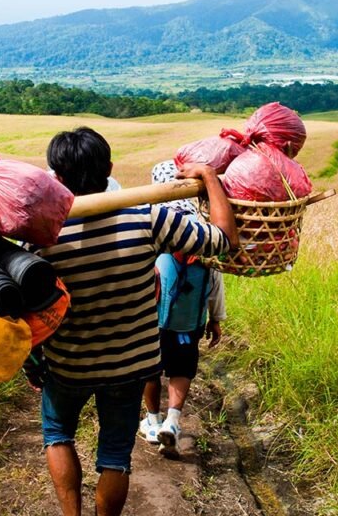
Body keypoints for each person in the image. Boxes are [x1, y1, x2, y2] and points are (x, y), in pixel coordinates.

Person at [24, 127, 238, 516]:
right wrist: (209, 176)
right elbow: (224, 239)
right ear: (109, 169)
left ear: (56, 176)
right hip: (131, 365)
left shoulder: (41, 234)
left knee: (58, 436)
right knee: (115, 454)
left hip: (68, 364)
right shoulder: (149, 218)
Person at [139, 160, 227, 459]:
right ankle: (173, 421)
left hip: (152, 321)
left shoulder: (153, 224)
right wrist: (216, 318)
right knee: (182, 369)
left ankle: (152, 422)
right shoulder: (200, 227)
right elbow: (215, 280)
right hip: (189, 322)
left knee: (150, 371)